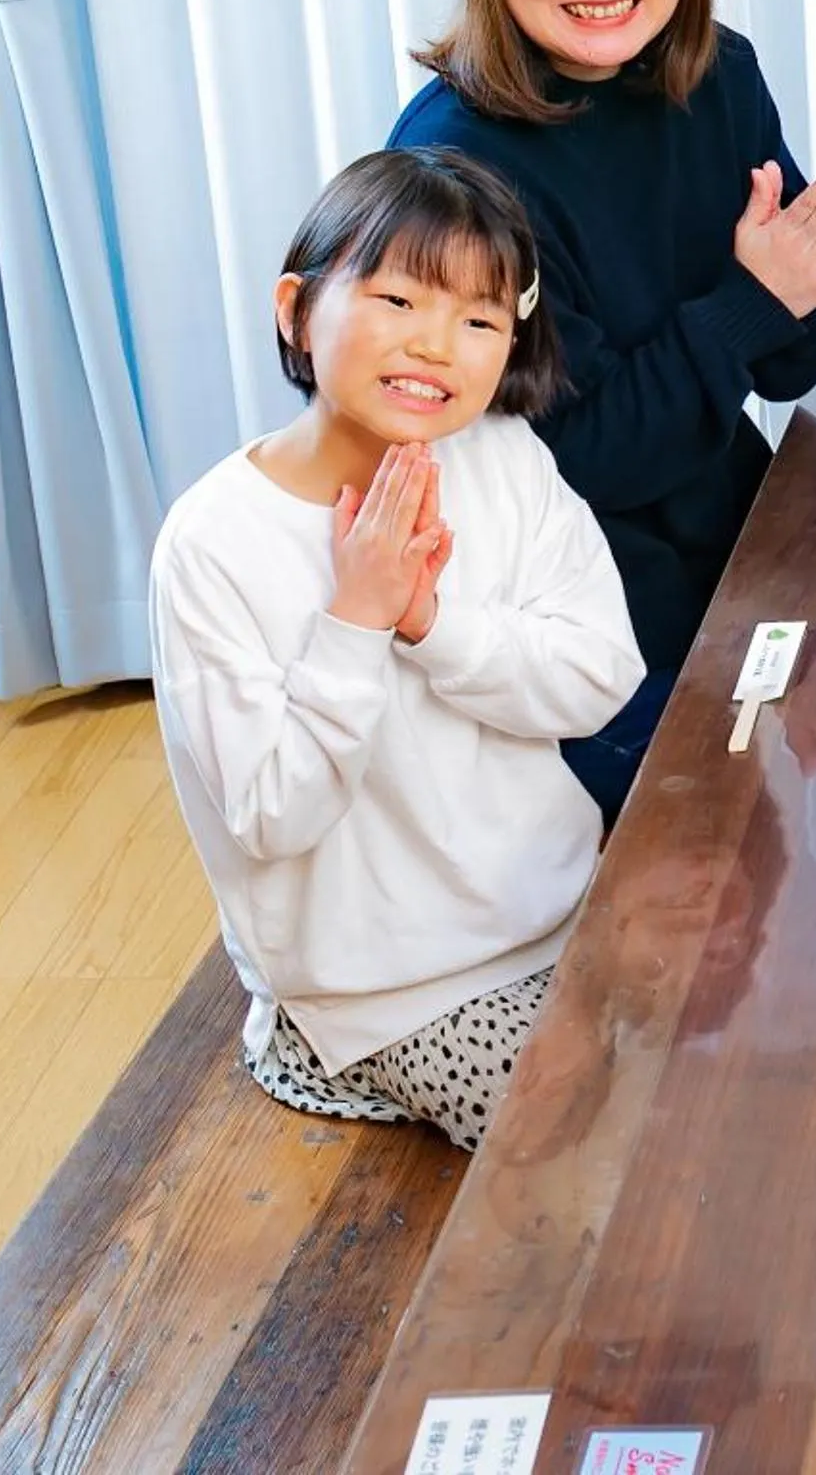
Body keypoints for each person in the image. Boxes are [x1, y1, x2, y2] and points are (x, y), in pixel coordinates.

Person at [392, 0, 816, 822]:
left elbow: (793, 356)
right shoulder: (457, 169)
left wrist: (789, 287)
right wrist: (758, 298)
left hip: (720, 535)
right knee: (702, 886)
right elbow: (585, 455)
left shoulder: (714, 74)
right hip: (567, 606)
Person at [150, 147, 646, 1151]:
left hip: (561, 908)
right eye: (398, 300)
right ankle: (299, 1047)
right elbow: (271, 814)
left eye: (478, 320)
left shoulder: (504, 458)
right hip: (387, 989)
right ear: (296, 309)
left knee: (758, 1050)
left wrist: (432, 624)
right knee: (601, 1146)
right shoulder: (213, 542)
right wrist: (359, 619)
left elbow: (600, 677)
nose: (436, 347)